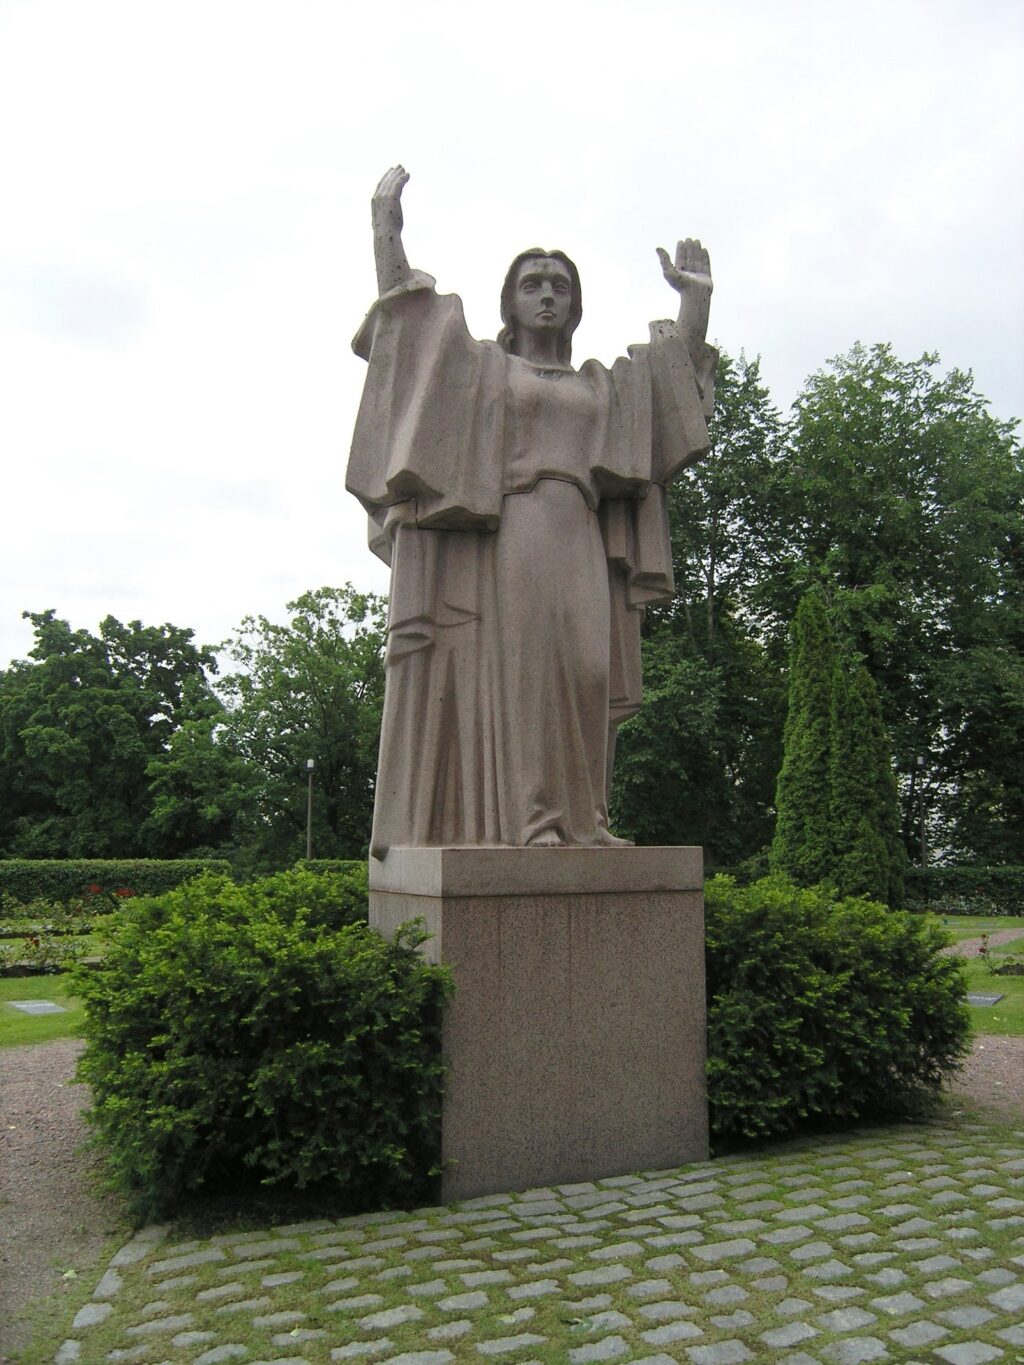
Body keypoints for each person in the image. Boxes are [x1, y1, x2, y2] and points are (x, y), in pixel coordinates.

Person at [347, 167, 716, 858]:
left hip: (580, 532)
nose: (547, 293)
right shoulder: (487, 370)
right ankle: (533, 822)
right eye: (532, 283)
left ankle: (587, 821)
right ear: (510, 304)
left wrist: (695, 307)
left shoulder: (599, 387)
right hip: (516, 529)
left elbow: (670, 404)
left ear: (574, 306)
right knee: (529, 670)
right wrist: (385, 236)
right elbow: (410, 331)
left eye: (560, 285)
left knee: (585, 670)